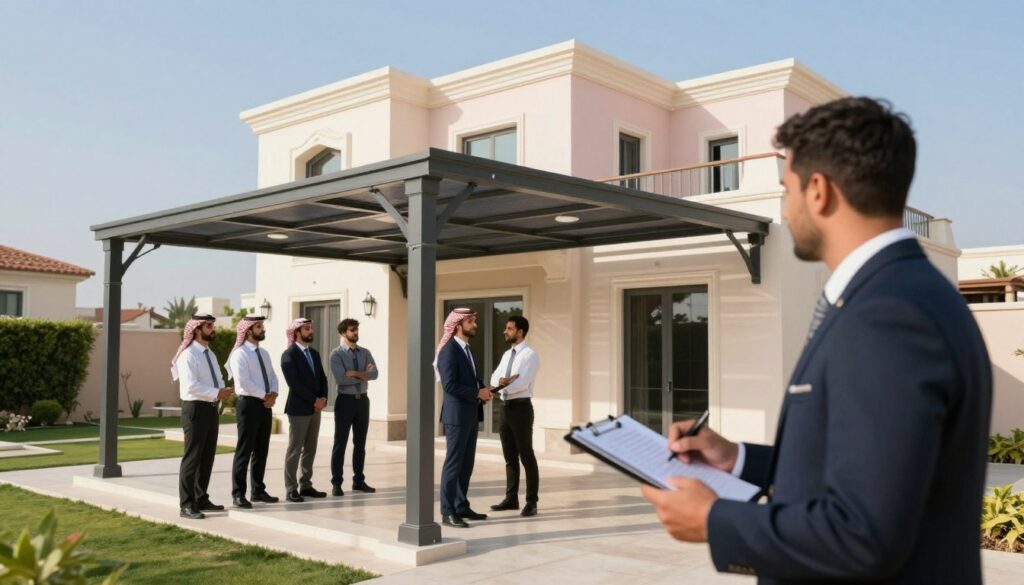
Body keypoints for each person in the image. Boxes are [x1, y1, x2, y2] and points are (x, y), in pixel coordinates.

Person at [641, 97, 992, 584]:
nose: (785, 207)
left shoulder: (887, 316)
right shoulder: (906, 294)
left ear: (819, 192)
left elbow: (862, 534)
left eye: (786, 189)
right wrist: (737, 458)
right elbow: (867, 472)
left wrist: (715, 520)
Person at [171, 313, 234, 520]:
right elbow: (190, 386)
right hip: (195, 409)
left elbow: (214, 380)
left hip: (211, 409)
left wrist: (221, 393)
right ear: (197, 329)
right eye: (209, 325)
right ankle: (186, 504)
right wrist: (217, 393)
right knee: (192, 457)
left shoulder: (210, 354)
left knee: (207, 457)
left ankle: (201, 498)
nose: (212, 329)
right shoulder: (188, 355)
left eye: (213, 325)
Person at [435, 307, 493, 528]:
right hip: (456, 416)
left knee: (466, 464)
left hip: (470, 414)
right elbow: (449, 385)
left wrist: (485, 391)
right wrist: (476, 393)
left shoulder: (468, 350)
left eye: (474, 320)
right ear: (458, 325)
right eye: (471, 321)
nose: (475, 325)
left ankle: (461, 505)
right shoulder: (449, 351)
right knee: (454, 464)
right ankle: (447, 511)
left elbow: (472, 381)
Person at [225, 315, 280, 508]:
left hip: (265, 405)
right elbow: (243, 382)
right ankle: (238, 494)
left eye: (262, 325)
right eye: (259, 326)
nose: (262, 329)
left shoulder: (264, 353)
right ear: (248, 331)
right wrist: (266, 396)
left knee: (261, 450)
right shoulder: (239, 354)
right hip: (248, 404)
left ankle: (258, 490)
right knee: (244, 450)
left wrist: (273, 393)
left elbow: (273, 376)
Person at [489, 315, 540, 517]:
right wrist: (503, 381)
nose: (505, 331)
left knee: (526, 455)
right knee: (509, 457)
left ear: (520, 332)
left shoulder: (530, 355)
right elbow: (494, 377)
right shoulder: (506, 355)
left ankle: (532, 502)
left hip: (521, 409)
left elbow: (522, 383)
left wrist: (503, 385)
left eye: (509, 328)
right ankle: (511, 499)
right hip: (505, 408)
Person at [281, 317, 329, 503]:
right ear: (297, 332)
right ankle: (291, 488)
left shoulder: (314, 354)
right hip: (299, 409)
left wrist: (323, 399)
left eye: (311, 327)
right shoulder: (289, 354)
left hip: (316, 409)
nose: (311, 331)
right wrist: (314, 400)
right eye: (307, 328)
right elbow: (295, 384)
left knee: (310, 448)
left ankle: (306, 485)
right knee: (295, 449)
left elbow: (323, 379)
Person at [329, 318, 379, 496]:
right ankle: (336, 483)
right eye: (352, 330)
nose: (355, 333)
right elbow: (341, 379)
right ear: (343, 333)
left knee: (360, 444)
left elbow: (375, 374)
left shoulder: (365, 352)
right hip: (345, 402)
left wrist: (357, 373)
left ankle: (359, 481)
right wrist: (364, 376)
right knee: (340, 443)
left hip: (363, 402)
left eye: (356, 329)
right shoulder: (336, 355)